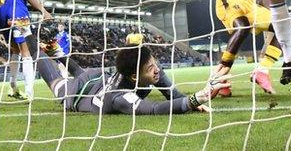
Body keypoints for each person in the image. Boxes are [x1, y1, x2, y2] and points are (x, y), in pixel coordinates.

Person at [35, 46, 227, 115]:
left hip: (97, 77)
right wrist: (199, 97)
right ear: (135, 77)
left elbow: (172, 94)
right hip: (76, 94)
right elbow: (154, 109)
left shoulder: (149, 70)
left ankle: (58, 53)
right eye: (151, 69)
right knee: (56, 83)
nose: (157, 70)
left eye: (155, 64)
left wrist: (191, 102)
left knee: (80, 71)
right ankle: (27, 37)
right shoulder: (120, 98)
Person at [0, 0, 52, 100]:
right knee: (26, 50)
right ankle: (29, 92)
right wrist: (44, 11)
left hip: (2, 11)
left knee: (15, 49)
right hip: (18, 11)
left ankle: (13, 86)